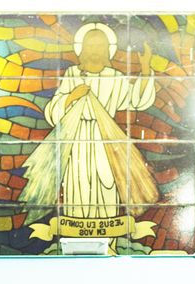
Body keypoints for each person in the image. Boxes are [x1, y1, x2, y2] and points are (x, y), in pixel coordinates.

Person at [21, 23, 158, 223]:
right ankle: (75, 227)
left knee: (107, 181)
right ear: (83, 48)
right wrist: (71, 97)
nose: (95, 50)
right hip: (77, 138)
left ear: (107, 49)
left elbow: (135, 100)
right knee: (77, 182)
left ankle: (109, 229)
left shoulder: (116, 77)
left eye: (100, 45)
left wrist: (145, 69)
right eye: (91, 45)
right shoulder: (72, 74)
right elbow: (54, 110)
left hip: (106, 138)